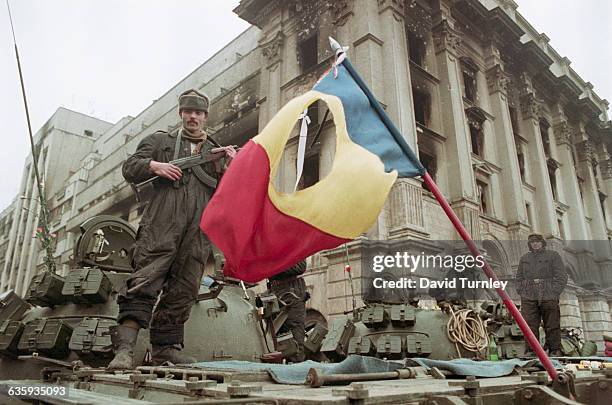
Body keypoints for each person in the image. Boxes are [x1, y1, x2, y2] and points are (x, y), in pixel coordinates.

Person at [108, 89, 234, 370]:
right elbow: (130, 167)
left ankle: (166, 350)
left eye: (198, 112)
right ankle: (124, 351)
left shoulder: (215, 151)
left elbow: (227, 193)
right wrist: (155, 165)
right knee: (144, 280)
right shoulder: (159, 141)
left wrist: (232, 167)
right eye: (188, 111)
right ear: (181, 114)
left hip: (197, 230)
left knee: (186, 287)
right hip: (162, 223)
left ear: (205, 116)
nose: (193, 117)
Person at [516, 233, 568, 357]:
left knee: (552, 322)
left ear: (542, 243)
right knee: (529, 323)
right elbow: (519, 277)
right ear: (529, 244)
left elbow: (562, 276)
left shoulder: (553, 256)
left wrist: (554, 291)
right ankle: (531, 350)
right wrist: (521, 291)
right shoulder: (524, 258)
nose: (535, 244)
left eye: (537, 241)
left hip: (548, 291)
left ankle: (555, 350)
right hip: (529, 293)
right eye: (532, 242)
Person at [268, 260, 308, 362]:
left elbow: (301, 266)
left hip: (291, 292)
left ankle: (296, 371)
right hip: (275, 292)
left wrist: (275, 264)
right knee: (274, 340)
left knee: (295, 341)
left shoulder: (291, 246)